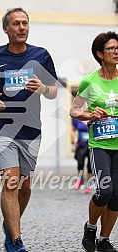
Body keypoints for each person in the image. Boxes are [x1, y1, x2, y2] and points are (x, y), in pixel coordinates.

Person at [0, 7, 57, 252]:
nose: (21, 27)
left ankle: (11, 224)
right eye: (16, 24)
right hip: (2, 126)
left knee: (24, 186)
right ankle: (16, 240)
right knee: (11, 182)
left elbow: (54, 91)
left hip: (31, 128)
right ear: (6, 29)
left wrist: (42, 88)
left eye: (25, 23)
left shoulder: (41, 55)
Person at [70, 31, 118, 252]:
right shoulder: (90, 80)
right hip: (100, 144)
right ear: (100, 53)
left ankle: (104, 239)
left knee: (117, 196)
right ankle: (90, 227)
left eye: (117, 48)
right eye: (111, 48)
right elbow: (74, 110)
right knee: (104, 192)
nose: (116, 51)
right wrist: (90, 115)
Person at [71, 118, 92, 194]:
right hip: (81, 145)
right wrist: (75, 139)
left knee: (90, 167)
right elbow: (72, 130)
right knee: (80, 164)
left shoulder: (93, 118)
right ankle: (80, 180)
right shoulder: (77, 119)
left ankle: (88, 185)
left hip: (91, 145)